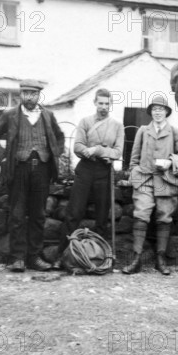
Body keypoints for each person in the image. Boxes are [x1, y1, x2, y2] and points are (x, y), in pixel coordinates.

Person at [0, 80, 65, 272]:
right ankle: (17, 258)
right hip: (19, 169)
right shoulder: (10, 115)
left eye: (33, 94)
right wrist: (3, 159)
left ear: (39, 96)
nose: (29, 97)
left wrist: (54, 155)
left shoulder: (48, 115)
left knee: (38, 215)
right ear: (20, 95)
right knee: (16, 214)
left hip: (42, 169)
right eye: (26, 94)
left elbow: (59, 136)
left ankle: (34, 257)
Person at [53, 89, 124, 269]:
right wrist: (89, 152)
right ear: (95, 103)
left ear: (110, 105)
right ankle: (62, 255)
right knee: (73, 213)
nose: (103, 107)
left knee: (102, 216)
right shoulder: (85, 122)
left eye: (107, 104)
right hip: (85, 169)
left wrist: (98, 150)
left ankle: (100, 258)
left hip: (104, 172)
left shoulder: (117, 126)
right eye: (100, 103)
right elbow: (77, 145)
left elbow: (118, 152)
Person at [122, 95, 178, 276]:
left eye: (161, 109)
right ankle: (136, 258)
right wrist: (134, 174)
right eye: (154, 109)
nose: (158, 112)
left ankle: (161, 259)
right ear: (151, 112)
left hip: (165, 179)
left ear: (167, 112)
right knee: (141, 214)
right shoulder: (143, 130)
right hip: (144, 178)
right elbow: (133, 157)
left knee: (164, 216)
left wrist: (170, 161)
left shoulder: (175, 132)